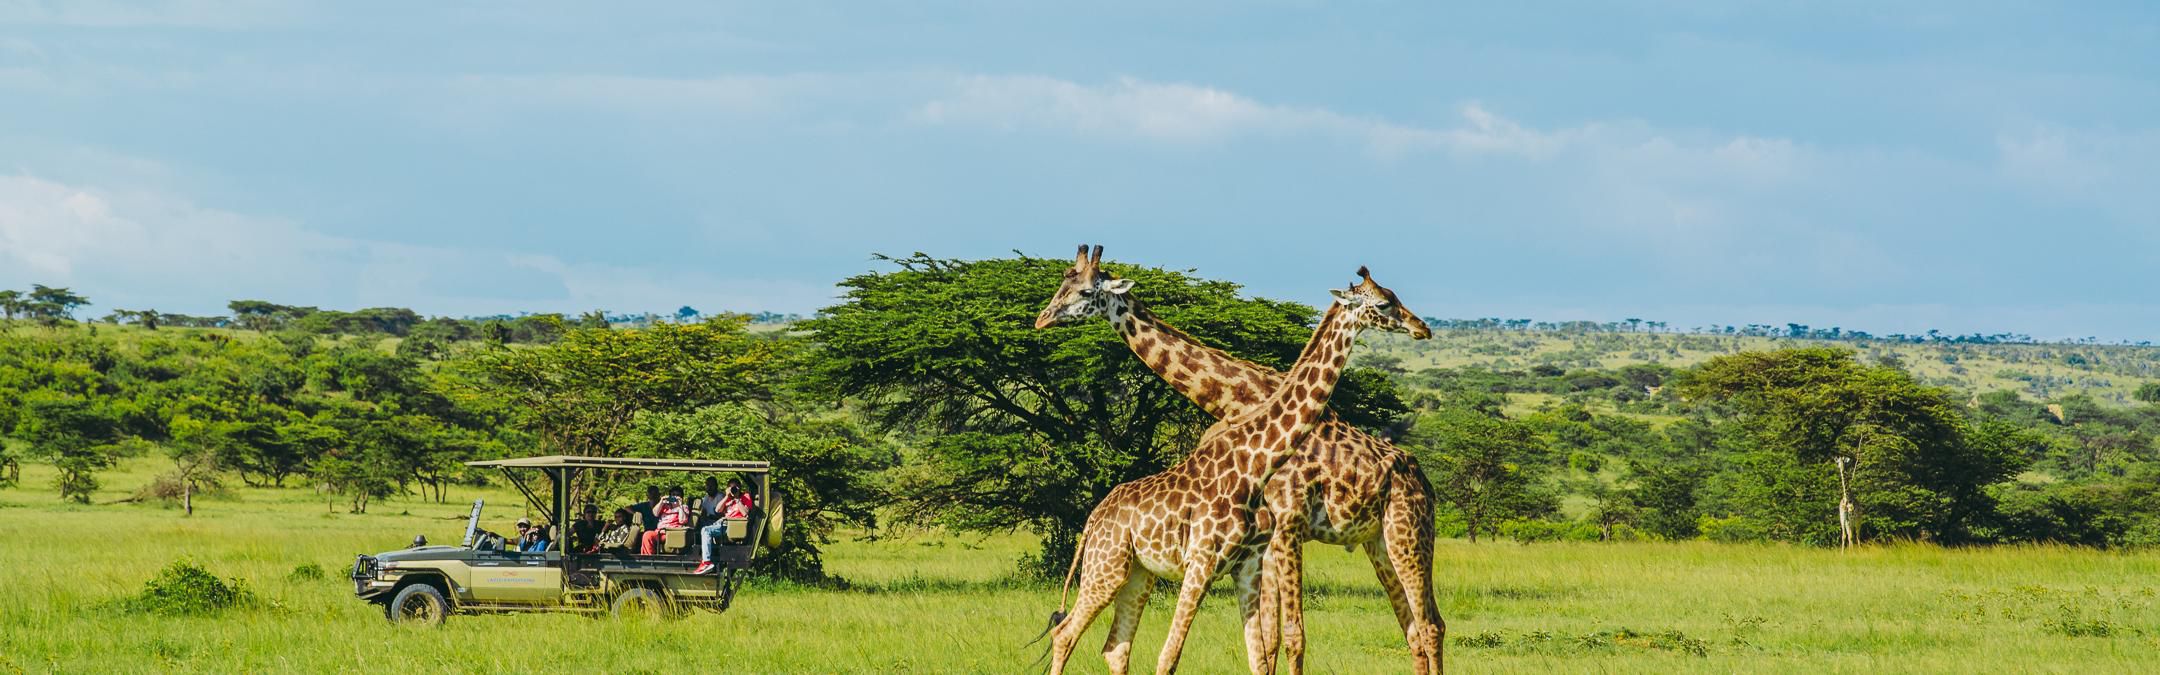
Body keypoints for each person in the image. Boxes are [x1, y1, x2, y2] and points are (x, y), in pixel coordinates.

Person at [692, 479, 755, 574]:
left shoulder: (745, 497)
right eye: (731, 487)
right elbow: (717, 510)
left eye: (735, 487)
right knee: (702, 529)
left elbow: (745, 513)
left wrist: (737, 499)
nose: (733, 489)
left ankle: (706, 562)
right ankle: (707, 557)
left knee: (706, 530)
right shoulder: (728, 498)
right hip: (722, 522)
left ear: (739, 487)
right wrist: (727, 496)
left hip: (732, 525)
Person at [638, 487, 690, 555]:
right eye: (673, 495)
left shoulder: (683, 507)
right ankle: (648, 557)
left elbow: (683, 521)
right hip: (659, 532)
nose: (675, 497)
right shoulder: (665, 506)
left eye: (677, 495)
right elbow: (655, 513)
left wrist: (680, 505)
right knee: (647, 534)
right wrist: (661, 501)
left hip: (672, 533)